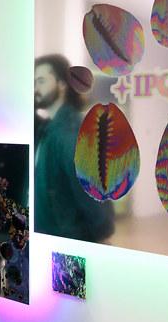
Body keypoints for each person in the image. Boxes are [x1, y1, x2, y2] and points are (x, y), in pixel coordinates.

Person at [33, 54, 114, 242]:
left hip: (69, 243)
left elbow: (92, 195)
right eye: (35, 82)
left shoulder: (71, 132)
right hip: (51, 240)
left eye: (41, 81)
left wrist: (101, 235)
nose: (36, 88)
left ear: (62, 84)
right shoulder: (49, 129)